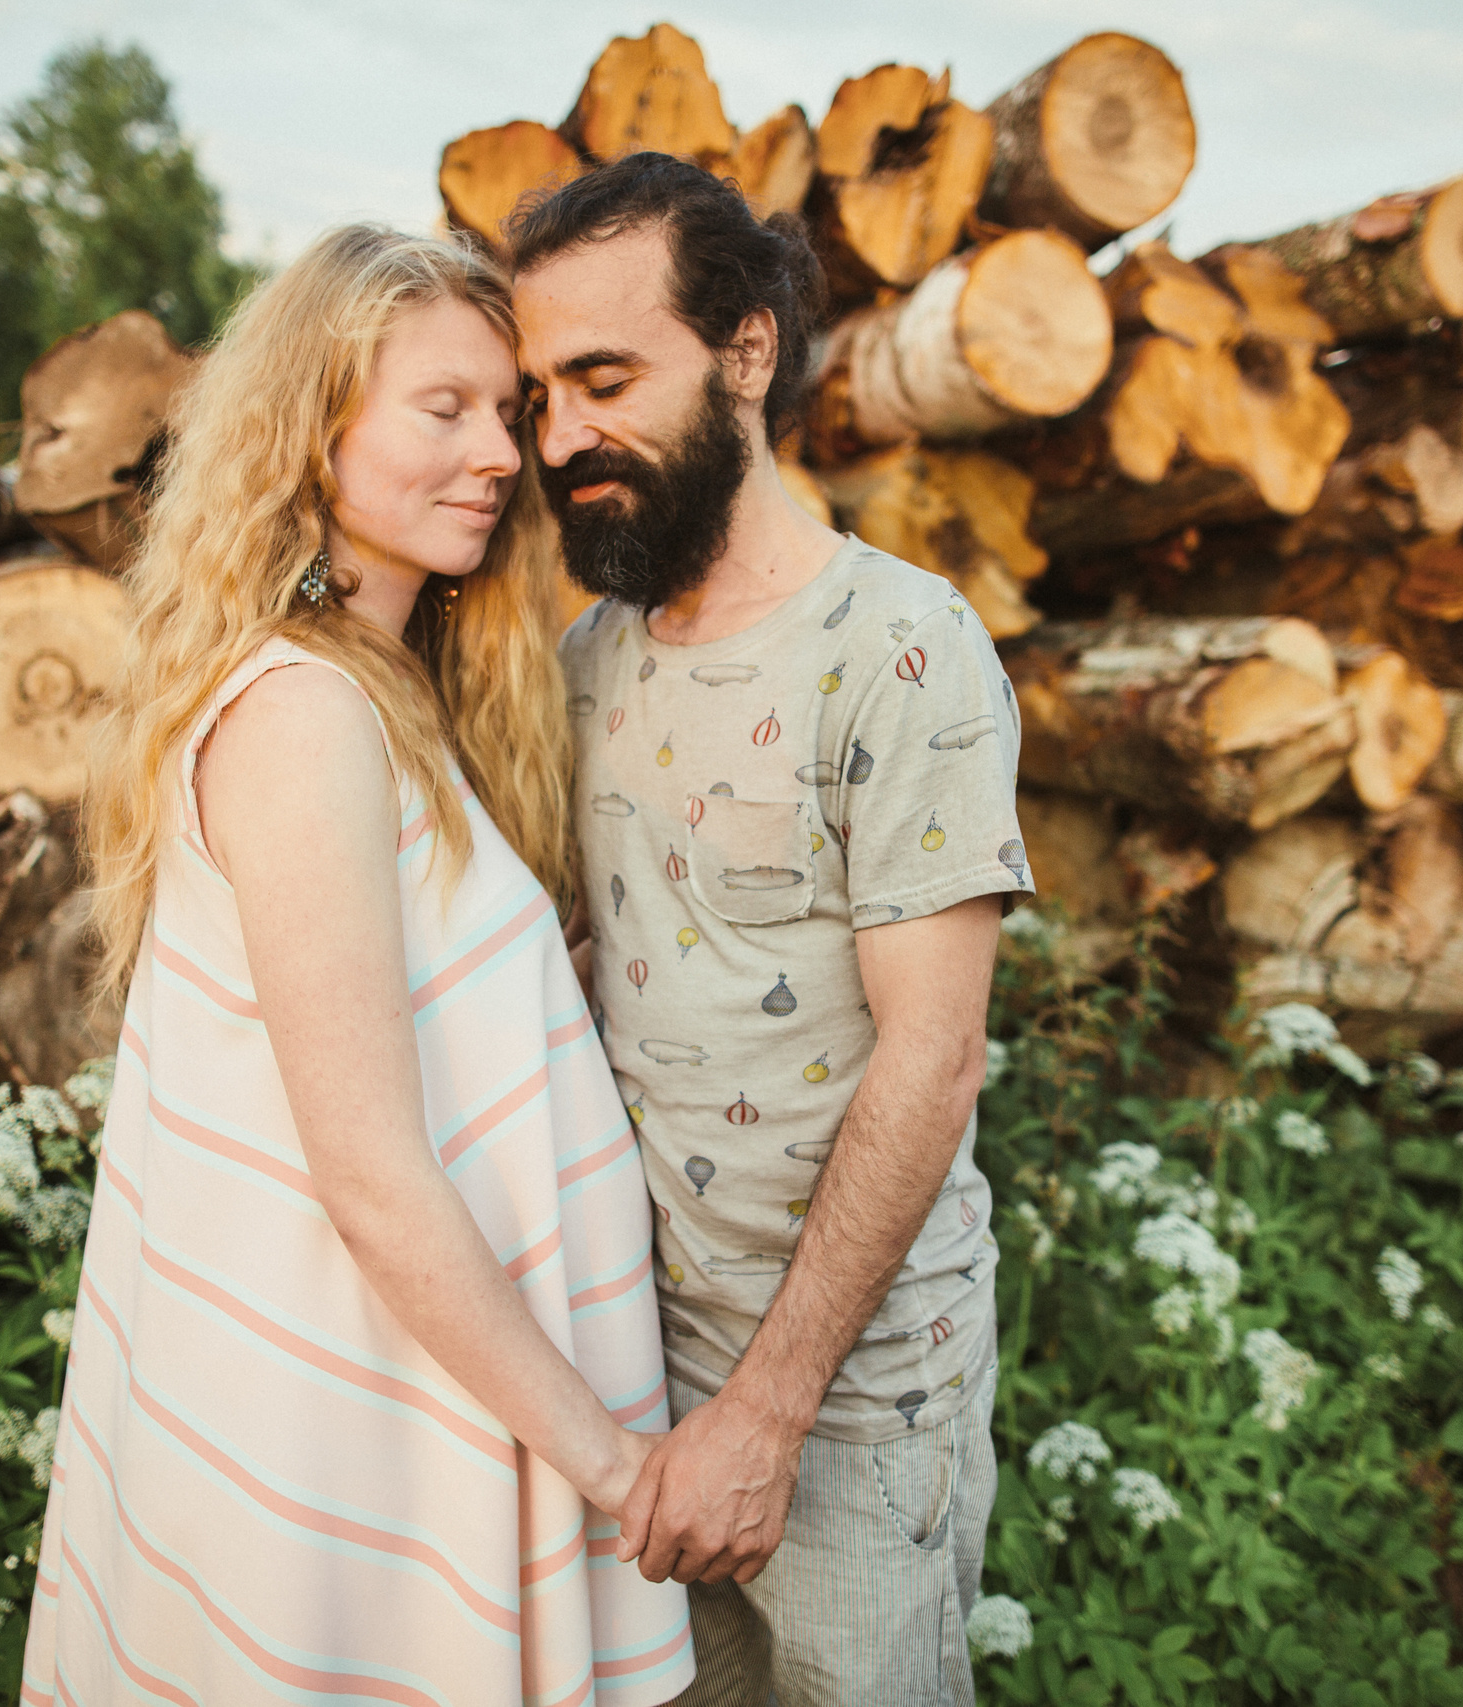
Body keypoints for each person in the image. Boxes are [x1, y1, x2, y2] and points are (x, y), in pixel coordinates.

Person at [23, 224, 696, 1707]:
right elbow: (373, 1177)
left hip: (413, 1391)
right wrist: (609, 1463)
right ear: (309, 428)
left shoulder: (380, 691)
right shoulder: (303, 717)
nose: (502, 455)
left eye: (508, 413)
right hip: (367, 1423)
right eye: (441, 409)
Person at [508, 155, 1032, 1705]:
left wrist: (768, 1412)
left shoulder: (905, 651)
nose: (559, 438)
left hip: (854, 1403)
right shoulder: (588, 658)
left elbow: (933, 1061)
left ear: (744, 351)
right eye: (539, 397)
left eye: (605, 380)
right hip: (630, 1370)